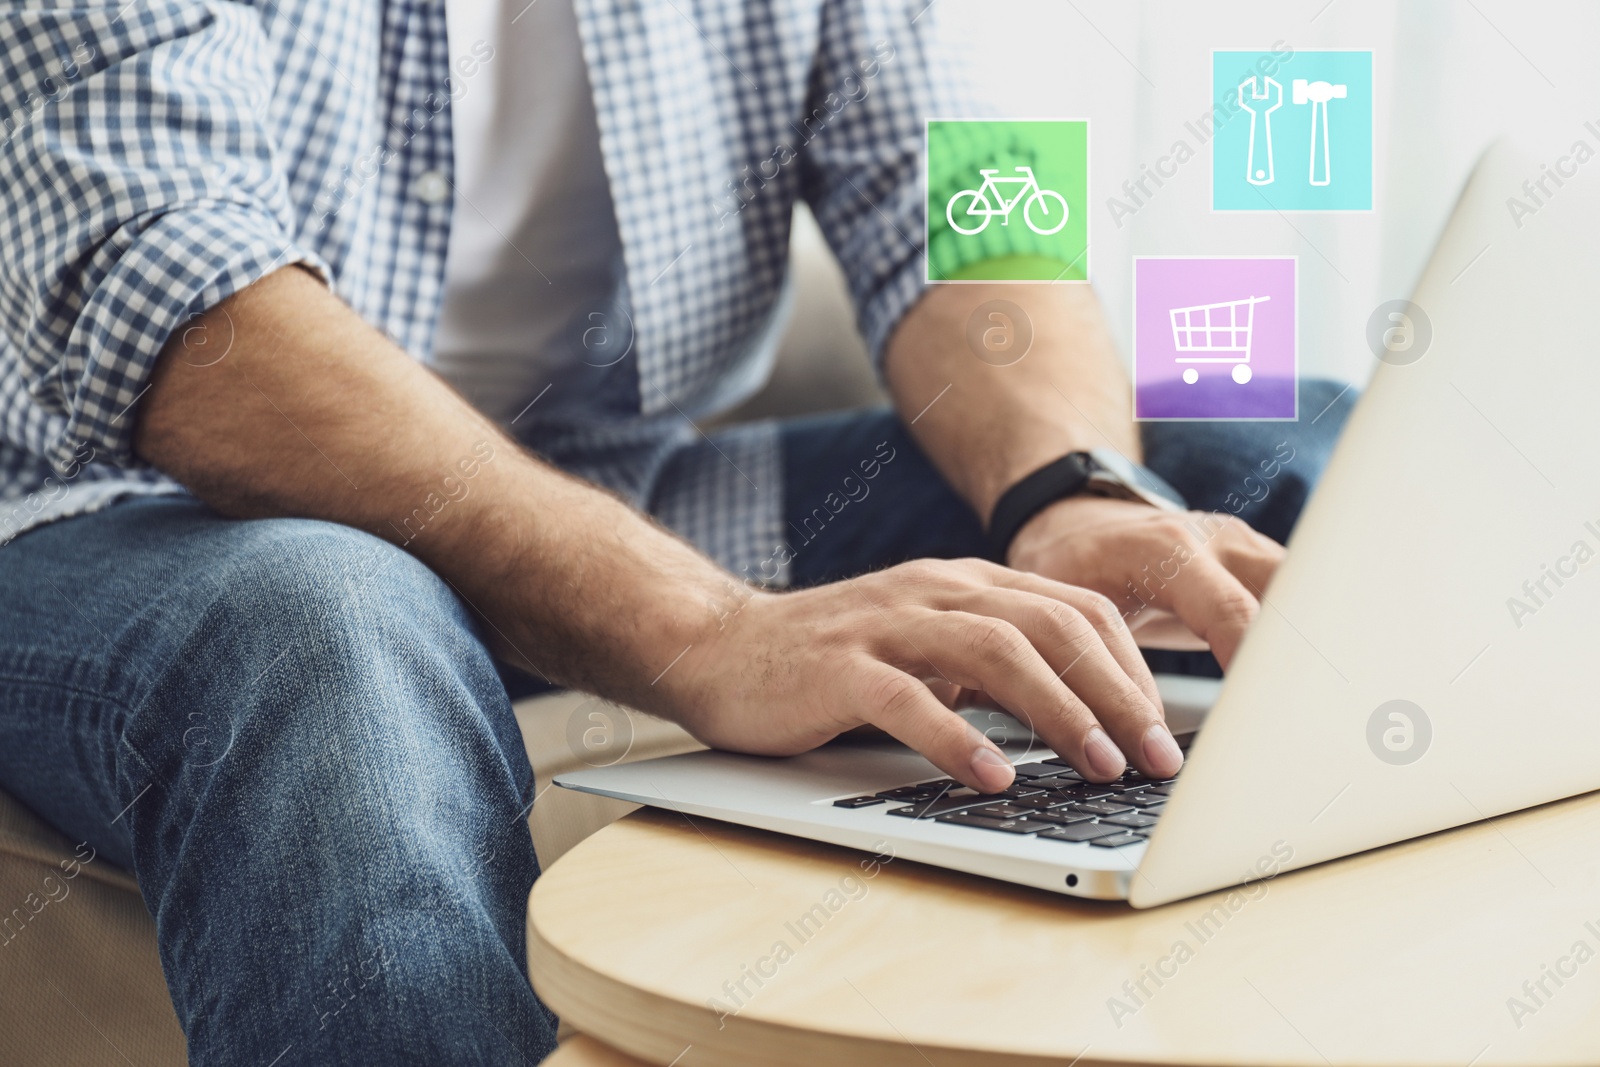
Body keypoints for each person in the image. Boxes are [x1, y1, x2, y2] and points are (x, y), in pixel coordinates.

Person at [0, 1, 1350, 1062]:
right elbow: (185, 310)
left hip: (627, 484)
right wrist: (704, 629)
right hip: (120, 515)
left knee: (1282, 450)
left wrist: (1070, 489)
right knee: (331, 624)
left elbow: (981, 195)